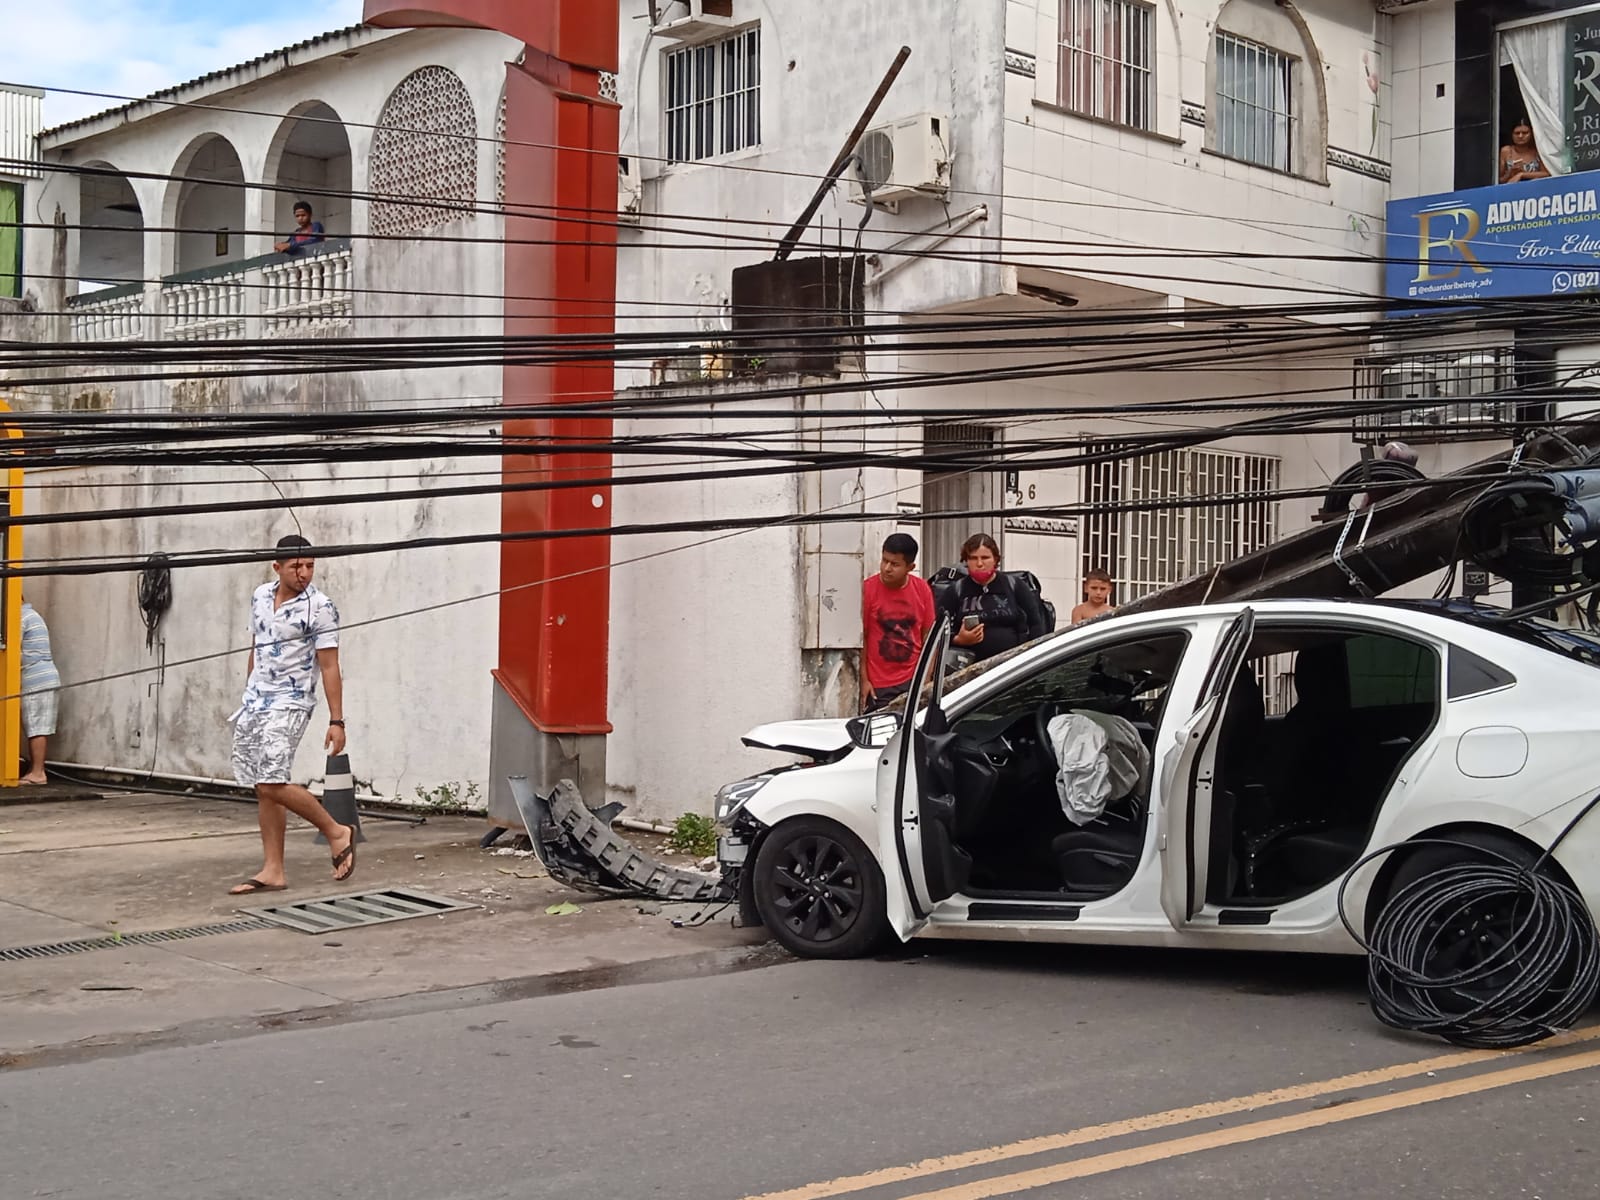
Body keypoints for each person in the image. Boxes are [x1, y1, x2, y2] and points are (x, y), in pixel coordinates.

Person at [228, 534, 355, 895]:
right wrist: (249, 687)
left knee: (272, 780)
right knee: (262, 787)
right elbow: (257, 645)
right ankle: (273, 870)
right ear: (277, 567)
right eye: (297, 566)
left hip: (292, 701)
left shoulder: (320, 607)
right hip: (255, 700)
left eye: (310, 566)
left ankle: (336, 831)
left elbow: (329, 666)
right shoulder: (260, 596)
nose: (304, 573)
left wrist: (337, 720)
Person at [940, 533, 1048, 662]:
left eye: (985, 558)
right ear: (966, 561)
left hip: (1013, 663)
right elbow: (937, 631)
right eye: (973, 558)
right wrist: (958, 640)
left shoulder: (1014, 585)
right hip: (970, 666)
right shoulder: (956, 590)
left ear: (996, 560)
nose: (979, 564)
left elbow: (1036, 624)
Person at [861, 532, 937, 712]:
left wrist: (926, 680)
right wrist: (864, 681)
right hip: (879, 686)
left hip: (913, 680)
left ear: (910, 567)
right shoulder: (868, 589)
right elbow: (861, 639)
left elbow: (930, 638)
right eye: (884, 560)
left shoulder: (922, 589)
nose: (886, 568)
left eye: (895, 564)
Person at [19, 598, 59, 785]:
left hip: (36, 678)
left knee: (36, 726)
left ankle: (38, 773)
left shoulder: (21, 617)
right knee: (35, 724)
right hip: (42, 676)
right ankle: (35, 770)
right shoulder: (31, 615)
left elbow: (11, 648)